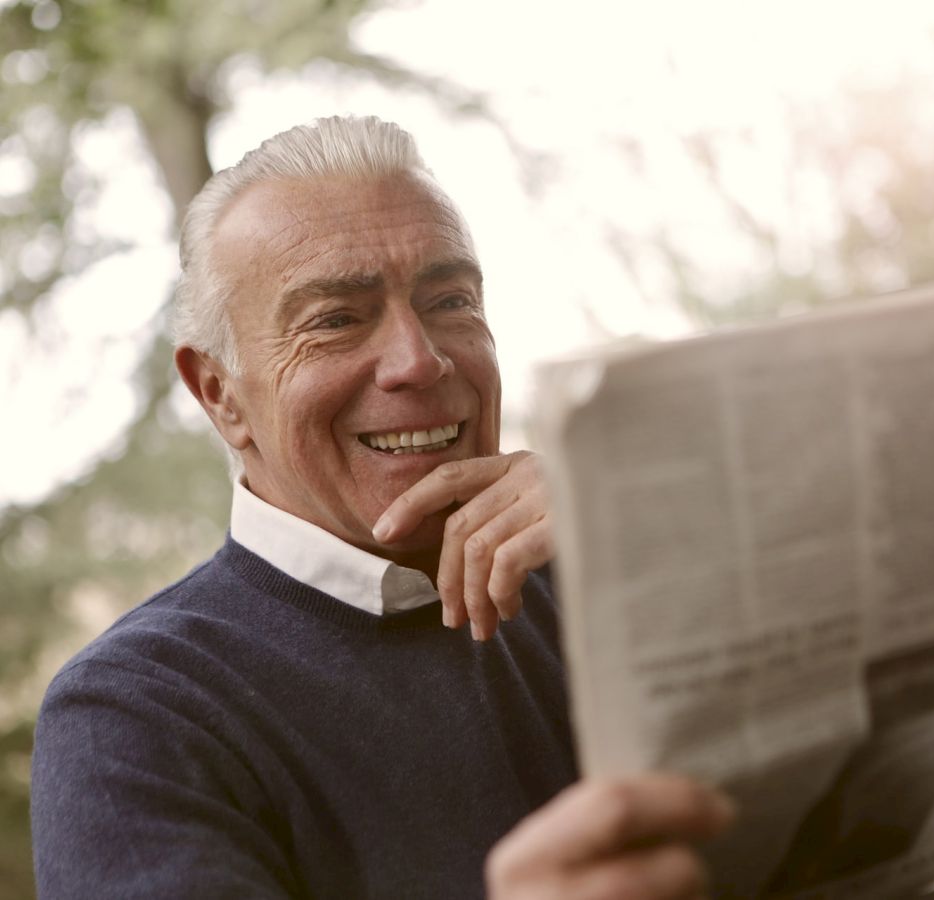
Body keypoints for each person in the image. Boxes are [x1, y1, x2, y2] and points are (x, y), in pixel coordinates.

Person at [30, 116, 734, 900]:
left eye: (450, 300)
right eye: (335, 319)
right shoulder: (135, 714)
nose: (419, 359)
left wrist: (644, 531)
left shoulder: (605, 569)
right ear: (221, 394)